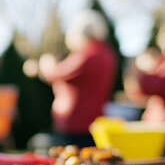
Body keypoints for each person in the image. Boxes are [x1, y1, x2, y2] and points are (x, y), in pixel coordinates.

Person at [38, 10, 117, 147]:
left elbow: (56, 73)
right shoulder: (108, 54)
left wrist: (46, 63)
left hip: (74, 124)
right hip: (95, 121)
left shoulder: (86, 54)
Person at [125, 23, 165, 122]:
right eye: (164, 38)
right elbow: (139, 93)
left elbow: (161, 86)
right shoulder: (160, 62)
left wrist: (139, 74)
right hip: (155, 120)